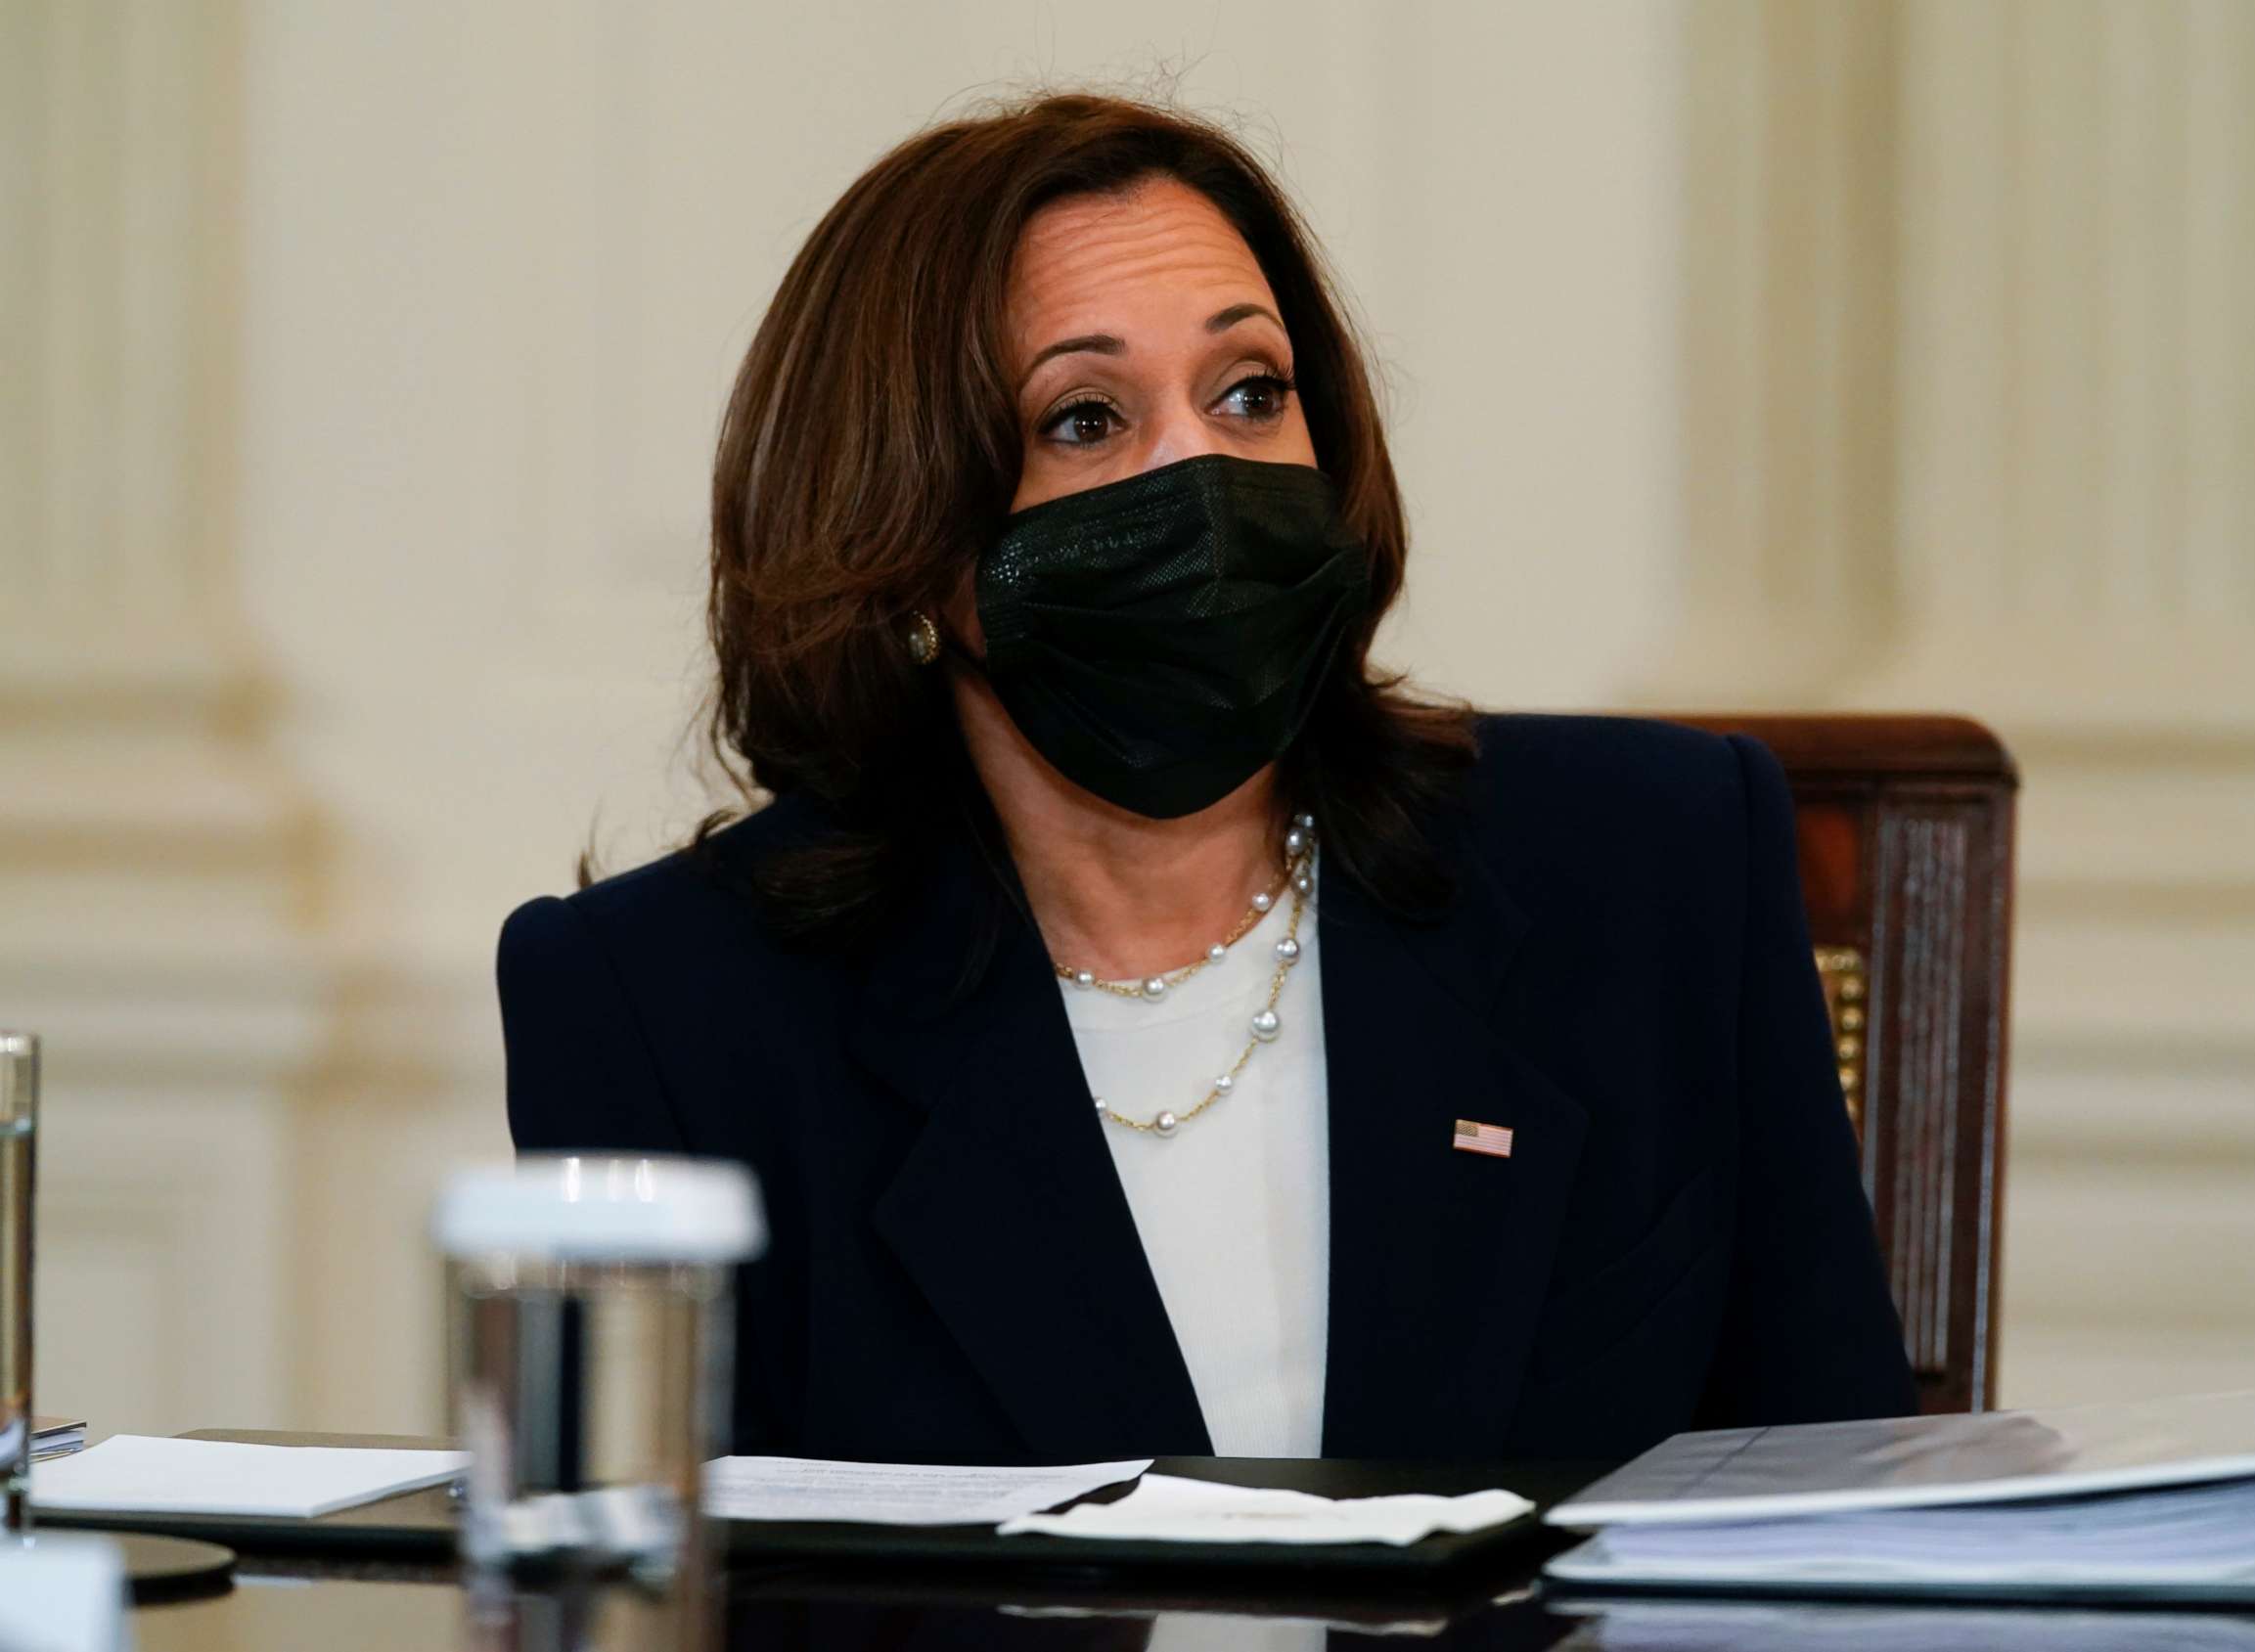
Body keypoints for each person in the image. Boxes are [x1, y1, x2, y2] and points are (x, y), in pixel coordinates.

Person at [498, 92, 1915, 1465]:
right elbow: (626, 1595)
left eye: (1251, 392)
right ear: (903, 533)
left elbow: (1845, 1520)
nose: (1205, 474)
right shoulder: (662, 1011)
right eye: (1086, 419)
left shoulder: (1653, 862)